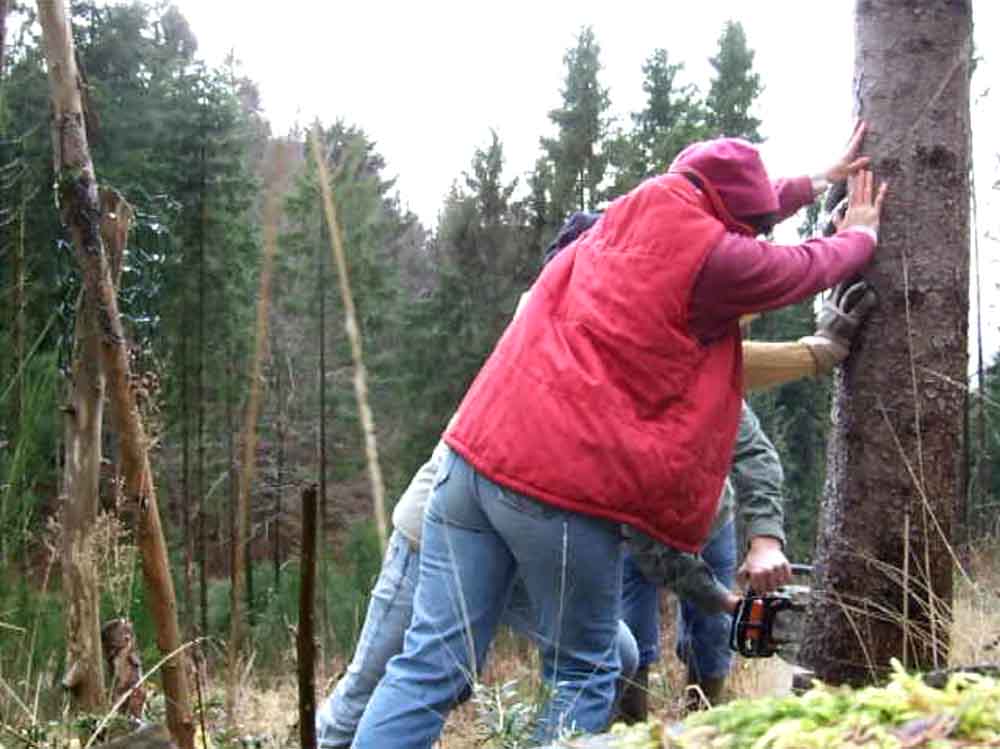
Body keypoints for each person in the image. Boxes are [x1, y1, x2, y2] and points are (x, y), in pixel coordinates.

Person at [353, 127, 887, 748]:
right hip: (556, 488)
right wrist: (861, 236)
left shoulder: (632, 209)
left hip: (469, 460)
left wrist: (816, 181)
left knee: (427, 666)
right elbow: (805, 266)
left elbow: (741, 196)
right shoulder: (715, 258)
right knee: (584, 671)